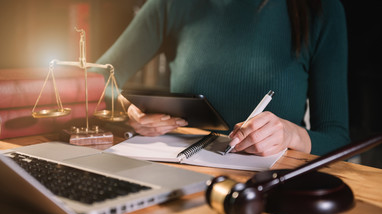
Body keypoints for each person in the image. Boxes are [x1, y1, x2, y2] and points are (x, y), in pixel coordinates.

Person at [95, 0, 350, 156]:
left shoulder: (321, 10)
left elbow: (338, 141)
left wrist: (291, 135)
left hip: (267, 190)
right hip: (178, 179)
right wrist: (128, 111)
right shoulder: (172, 4)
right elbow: (95, 80)